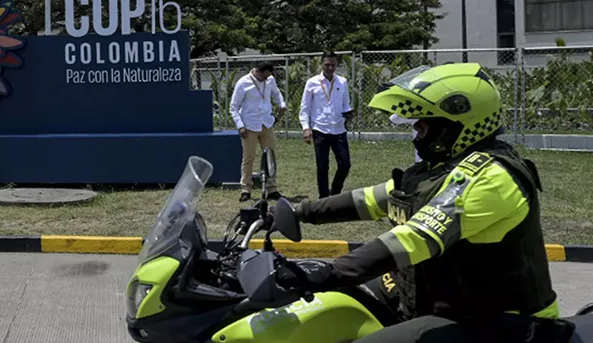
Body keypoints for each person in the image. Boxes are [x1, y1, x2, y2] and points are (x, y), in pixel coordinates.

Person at [279, 62, 574, 342]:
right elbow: (374, 199)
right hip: (449, 302)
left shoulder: (491, 177)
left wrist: (329, 272)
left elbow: (415, 238)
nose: (416, 136)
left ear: (457, 123)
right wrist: (298, 211)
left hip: (505, 322)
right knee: (331, 310)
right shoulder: (443, 168)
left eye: (422, 127)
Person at [298, 51, 354, 198]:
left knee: (345, 164)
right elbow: (305, 108)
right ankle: (323, 198)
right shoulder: (312, 83)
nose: (330, 68)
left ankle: (334, 193)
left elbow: (345, 104)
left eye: (333, 65)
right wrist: (306, 128)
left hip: (339, 129)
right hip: (320, 129)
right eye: (327, 65)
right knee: (322, 167)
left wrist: (349, 113)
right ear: (321, 64)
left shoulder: (342, 82)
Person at [229, 61, 286, 202]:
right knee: (249, 158)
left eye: (268, 77)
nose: (266, 79)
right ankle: (245, 189)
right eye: (264, 76)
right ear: (257, 71)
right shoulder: (243, 83)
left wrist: (281, 105)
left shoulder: (270, 80)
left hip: (266, 123)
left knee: (271, 157)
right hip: (249, 126)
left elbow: (276, 93)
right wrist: (240, 126)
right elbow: (233, 107)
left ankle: (272, 189)